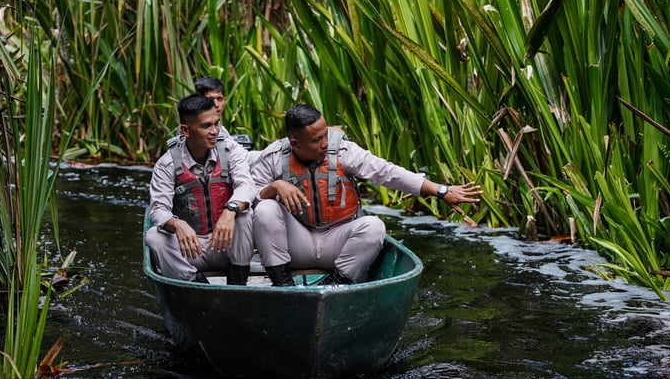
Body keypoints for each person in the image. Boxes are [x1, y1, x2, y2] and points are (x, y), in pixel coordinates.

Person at [251, 104, 482, 287]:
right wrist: (274, 188)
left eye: (325, 135)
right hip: (296, 246)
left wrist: (441, 191)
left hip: (338, 243)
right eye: (316, 140)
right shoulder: (273, 156)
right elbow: (248, 198)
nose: (325, 143)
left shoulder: (343, 151)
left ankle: (337, 285)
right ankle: (284, 285)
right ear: (295, 143)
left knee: (374, 226)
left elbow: (387, 173)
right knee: (265, 208)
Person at [146, 94, 257, 285]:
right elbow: (157, 210)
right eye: (206, 126)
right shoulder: (166, 164)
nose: (215, 131)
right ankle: (195, 285)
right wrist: (177, 224)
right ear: (186, 130)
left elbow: (246, 186)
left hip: (226, 245)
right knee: (154, 236)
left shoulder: (231, 149)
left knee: (244, 214)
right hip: (190, 249)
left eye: (217, 124)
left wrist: (230, 211)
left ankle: (238, 283)